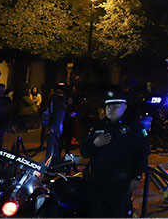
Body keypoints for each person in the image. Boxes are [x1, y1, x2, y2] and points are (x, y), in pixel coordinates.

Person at [81, 88, 149, 218]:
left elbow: (142, 153)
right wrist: (95, 144)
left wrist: (137, 177)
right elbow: (84, 151)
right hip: (98, 183)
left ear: (124, 107)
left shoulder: (133, 127)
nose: (110, 109)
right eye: (108, 106)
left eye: (115, 106)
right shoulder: (98, 127)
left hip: (120, 184)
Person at [45, 89, 66, 166]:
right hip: (60, 125)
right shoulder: (63, 104)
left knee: (51, 144)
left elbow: (53, 115)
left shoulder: (55, 103)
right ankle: (55, 160)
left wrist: (51, 126)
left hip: (55, 126)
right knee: (56, 144)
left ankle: (50, 161)